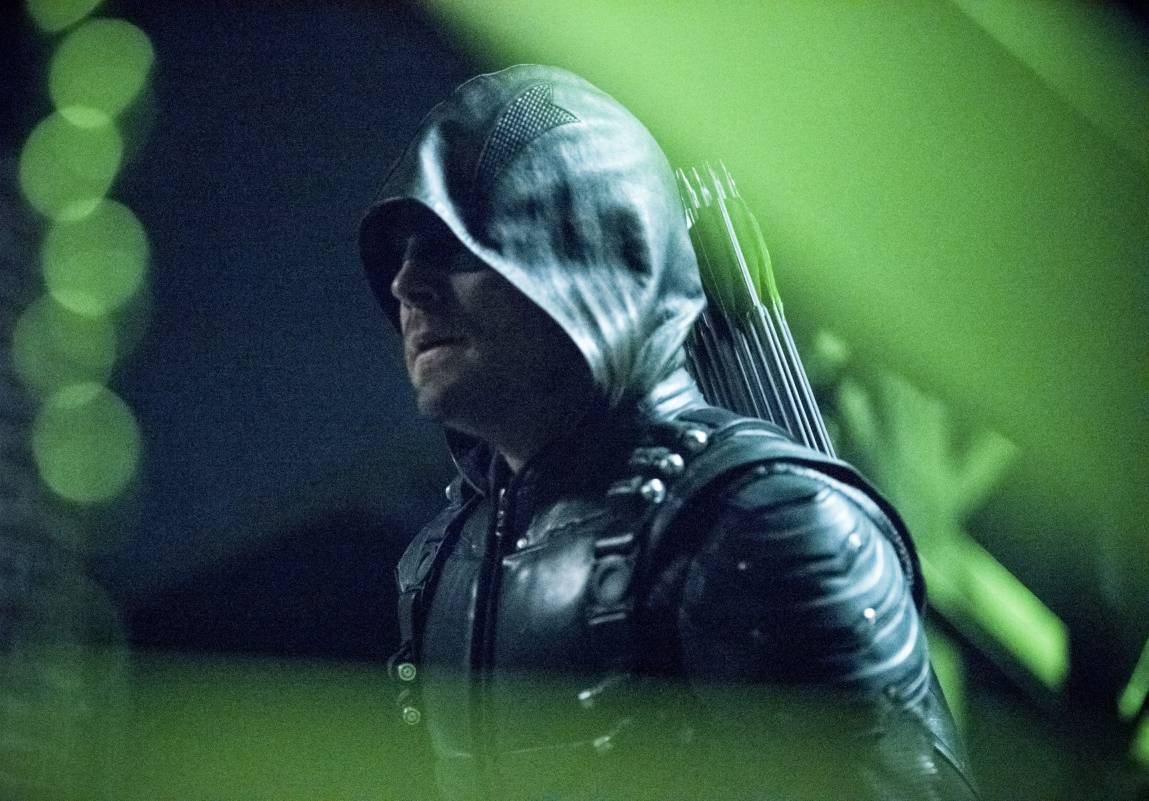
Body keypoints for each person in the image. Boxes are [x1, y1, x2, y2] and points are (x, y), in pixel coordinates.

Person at [358, 64, 978, 801]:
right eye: (403, 254)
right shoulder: (442, 562)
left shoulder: (761, 528)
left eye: (455, 244)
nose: (406, 284)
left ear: (591, 255)